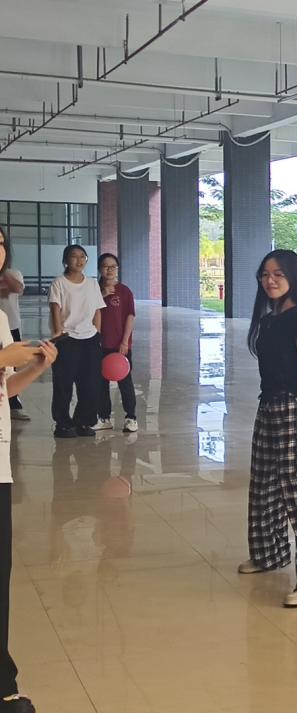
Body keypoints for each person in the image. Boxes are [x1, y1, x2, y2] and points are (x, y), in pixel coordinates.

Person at [237, 249, 297, 608]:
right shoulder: (268, 321)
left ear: (293, 277)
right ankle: (270, 553)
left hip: (293, 410)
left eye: (278, 274)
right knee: (262, 486)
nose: (270, 280)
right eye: (265, 274)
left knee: (296, 493)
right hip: (267, 407)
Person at [0, 227, 58, 713]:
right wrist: (4, 356)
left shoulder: (0, 316)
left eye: (0, 244)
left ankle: (3, 683)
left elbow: (4, 387)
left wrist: (34, 367)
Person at [49, 245, 105, 439]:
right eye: (74, 256)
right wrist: (58, 334)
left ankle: (84, 421)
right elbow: (55, 309)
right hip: (67, 339)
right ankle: (63, 424)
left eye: (83, 257)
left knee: (90, 383)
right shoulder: (59, 283)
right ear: (66, 260)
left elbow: (98, 310)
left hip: (90, 339)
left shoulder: (92, 284)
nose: (79, 260)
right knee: (63, 384)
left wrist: (97, 333)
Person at [94, 253, 138, 433]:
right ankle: (104, 418)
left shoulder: (125, 291)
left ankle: (131, 418)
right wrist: (101, 295)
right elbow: (87, 312)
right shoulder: (94, 290)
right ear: (100, 269)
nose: (110, 270)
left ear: (118, 269)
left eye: (113, 266)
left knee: (125, 382)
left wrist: (125, 341)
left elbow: (130, 316)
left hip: (120, 345)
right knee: (100, 383)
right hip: (99, 344)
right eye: (106, 266)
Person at [0, 239, 29, 423]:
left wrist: (4, 273)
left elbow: (17, 288)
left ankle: (13, 404)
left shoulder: (14, 273)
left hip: (11, 326)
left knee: (12, 367)